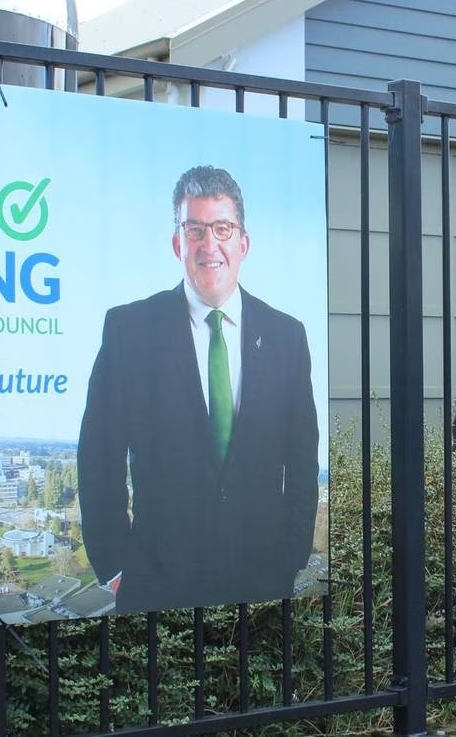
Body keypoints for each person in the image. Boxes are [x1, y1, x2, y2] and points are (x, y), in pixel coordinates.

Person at [76, 165, 320, 614]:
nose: (210, 245)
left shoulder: (288, 335)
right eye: (195, 230)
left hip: (263, 579)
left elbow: (302, 459)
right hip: (157, 583)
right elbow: (98, 457)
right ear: (177, 243)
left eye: (222, 229)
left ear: (243, 243)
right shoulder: (128, 330)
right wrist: (115, 567)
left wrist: (292, 557)